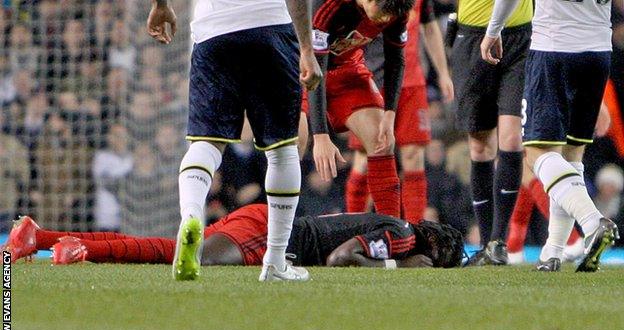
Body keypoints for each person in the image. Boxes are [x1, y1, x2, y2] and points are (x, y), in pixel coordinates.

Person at [146, 0, 322, 282]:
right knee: (282, 150)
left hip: (212, 31)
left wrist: (161, 5)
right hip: (270, 26)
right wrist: (306, 49)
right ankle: (275, 261)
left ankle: (191, 217)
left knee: (205, 145)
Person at [481, 0, 620, 272]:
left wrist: (493, 30)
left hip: (554, 50)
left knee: (537, 154)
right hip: (599, 53)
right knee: (571, 154)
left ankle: (592, 223)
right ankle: (552, 252)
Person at [3, 204, 465, 269]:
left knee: (171, 250)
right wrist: (396, 264)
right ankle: (80, 249)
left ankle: (40, 237)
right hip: (269, 233)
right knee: (192, 259)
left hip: (266, 224)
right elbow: (340, 259)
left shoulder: (396, 223)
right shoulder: (403, 236)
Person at [345, 0, 454, 224]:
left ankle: (413, 232)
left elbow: (430, 26)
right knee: (366, 158)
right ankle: (354, 227)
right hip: (370, 78)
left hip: (411, 82)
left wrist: (442, 72)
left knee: (414, 156)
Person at [306, 0, 416, 219]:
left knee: (381, 143)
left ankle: (392, 233)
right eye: (382, 12)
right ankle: (278, 240)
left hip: (348, 70)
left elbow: (396, 58)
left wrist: (389, 114)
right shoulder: (330, 6)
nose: (385, 19)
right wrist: (320, 136)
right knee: (296, 144)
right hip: (302, 72)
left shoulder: (396, 9)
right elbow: (314, 68)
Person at [451, 0, 532, 266]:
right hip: (472, 36)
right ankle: (487, 244)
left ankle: (499, 241)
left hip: (519, 37)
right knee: (480, 146)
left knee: (511, 139)